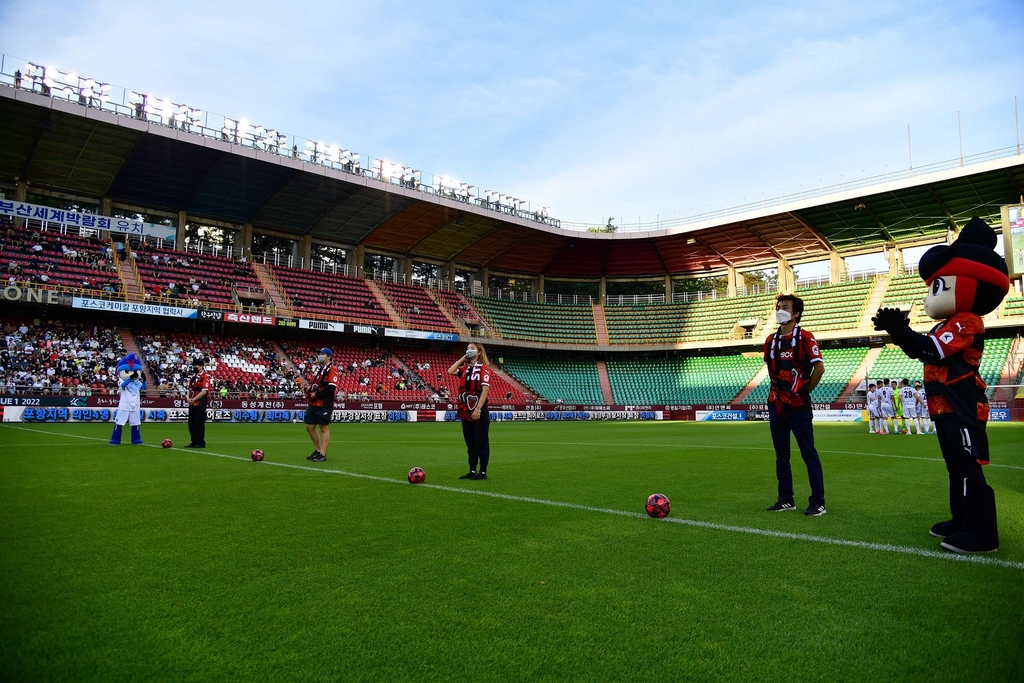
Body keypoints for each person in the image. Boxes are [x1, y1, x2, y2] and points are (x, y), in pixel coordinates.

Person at [872, 216, 1009, 553]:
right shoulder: (948, 322)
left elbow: (931, 348)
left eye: (938, 285)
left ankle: (982, 533)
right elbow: (923, 353)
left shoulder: (966, 321)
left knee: (967, 465)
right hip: (944, 405)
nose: (932, 295)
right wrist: (898, 332)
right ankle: (961, 520)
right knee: (954, 466)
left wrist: (902, 332)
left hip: (963, 404)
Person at [763, 294, 827, 516]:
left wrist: (803, 391)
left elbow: (819, 368)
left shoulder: (806, 338)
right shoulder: (771, 340)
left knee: (808, 452)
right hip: (776, 403)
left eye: (785, 307)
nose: (780, 310)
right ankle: (785, 498)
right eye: (778, 307)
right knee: (781, 454)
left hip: (798, 405)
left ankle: (818, 501)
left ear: (796, 313)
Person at [449, 342, 491, 480]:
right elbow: (450, 371)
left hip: (479, 411)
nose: (468, 350)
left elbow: (485, 390)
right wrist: (463, 358)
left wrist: (478, 409)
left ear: (479, 353)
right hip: (465, 410)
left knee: (481, 442)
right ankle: (472, 470)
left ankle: (483, 471)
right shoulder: (465, 369)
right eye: (467, 348)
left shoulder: (484, 368)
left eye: (471, 349)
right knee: (470, 443)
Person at [305, 347, 340, 462]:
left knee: (323, 427)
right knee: (309, 426)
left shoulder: (332, 369)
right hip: (314, 402)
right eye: (319, 353)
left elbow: (331, 387)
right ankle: (318, 450)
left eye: (322, 354)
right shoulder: (320, 369)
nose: (320, 355)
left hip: (324, 402)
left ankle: (323, 454)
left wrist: (317, 395)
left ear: (329, 356)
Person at [186, 356, 210, 448]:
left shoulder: (204, 377)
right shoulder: (193, 378)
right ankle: (194, 441)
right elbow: (189, 390)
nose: (195, 367)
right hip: (192, 402)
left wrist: (194, 399)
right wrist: (188, 399)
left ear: (201, 366)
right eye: (194, 365)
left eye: (196, 365)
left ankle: (200, 442)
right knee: (191, 423)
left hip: (200, 402)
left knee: (198, 423)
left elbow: (204, 391)